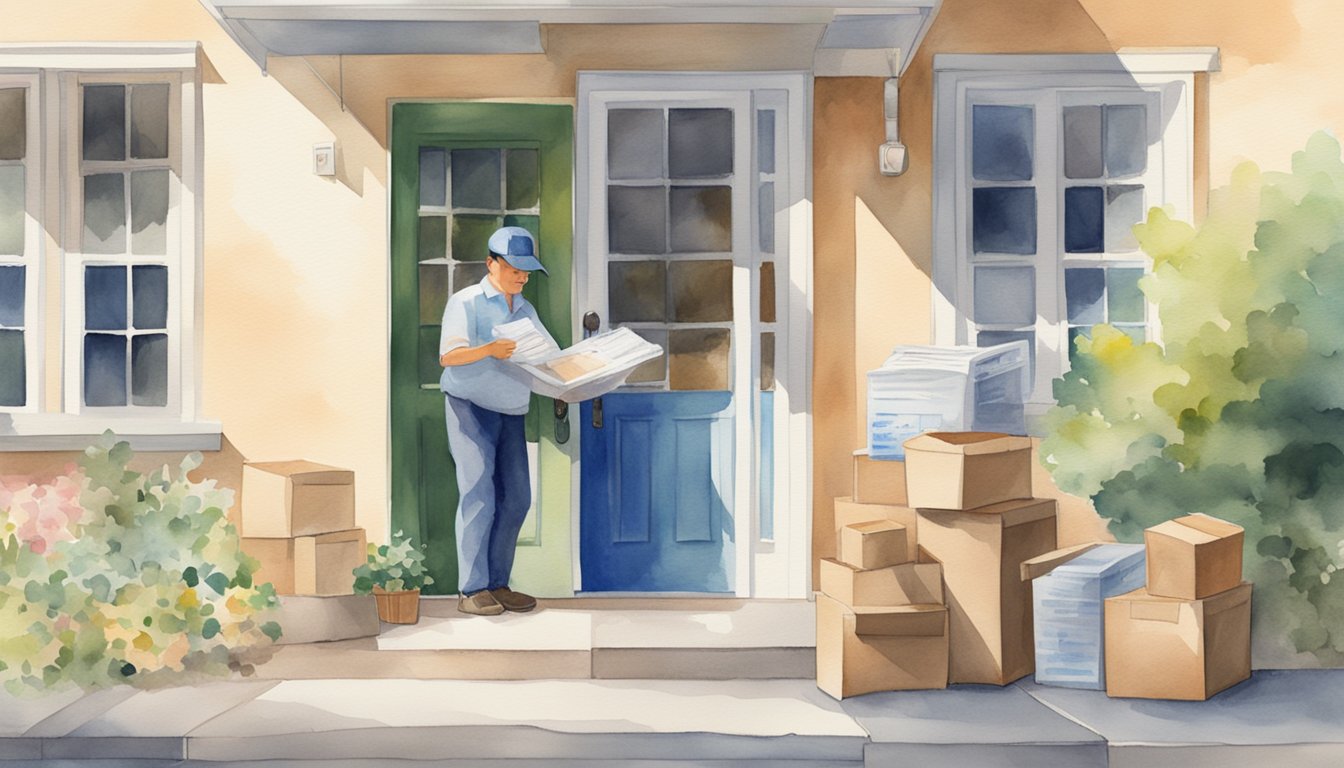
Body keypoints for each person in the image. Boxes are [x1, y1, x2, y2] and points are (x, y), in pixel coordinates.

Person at [438, 226, 554, 616]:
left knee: (518, 497)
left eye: (527, 271)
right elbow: (448, 357)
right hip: (469, 407)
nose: (522, 277)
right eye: (515, 269)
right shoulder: (465, 302)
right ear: (491, 264)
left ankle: (498, 584)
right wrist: (488, 349)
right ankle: (471, 589)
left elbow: (544, 355)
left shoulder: (526, 308)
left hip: (512, 411)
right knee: (478, 495)